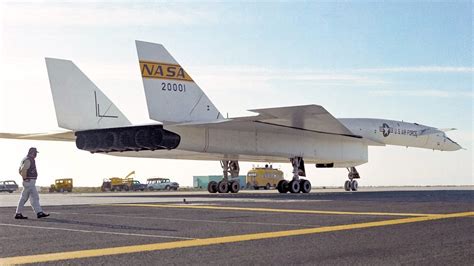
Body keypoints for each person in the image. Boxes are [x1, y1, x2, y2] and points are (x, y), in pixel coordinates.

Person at [14, 147, 49, 219]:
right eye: (35, 153)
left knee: (26, 198)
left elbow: (20, 170)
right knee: (33, 197)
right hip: (30, 182)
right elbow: (24, 169)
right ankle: (38, 212)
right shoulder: (29, 160)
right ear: (33, 153)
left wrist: (24, 178)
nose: (36, 154)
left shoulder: (25, 159)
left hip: (29, 181)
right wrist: (25, 178)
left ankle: (19, 213)